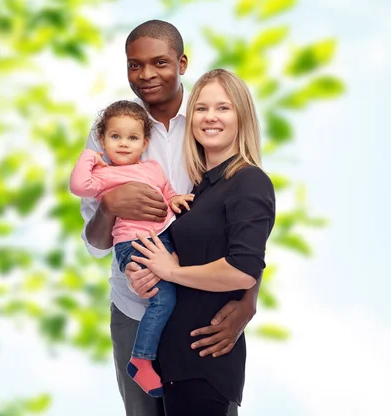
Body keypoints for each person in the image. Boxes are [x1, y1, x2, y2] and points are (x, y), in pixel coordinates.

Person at [80, 19, 259, 416]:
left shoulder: (206, 121)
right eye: (134, 65)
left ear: (181, 63)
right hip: (133, 306)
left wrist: (249, 299)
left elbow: (244, 220)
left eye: (159, 63)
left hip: (203, 309)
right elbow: (94, 242)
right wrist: (111, 206)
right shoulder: (111, 130)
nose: (145, 75)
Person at [126, 68, 276, 415]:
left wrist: (171, 271)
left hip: (204, 368)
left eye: (223, 108)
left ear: (242, 118)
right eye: (201, 108)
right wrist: (147, 271)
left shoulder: (249, 181)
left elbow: (243, 270)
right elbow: (189, 257)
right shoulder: (200, 190)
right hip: (175, 365)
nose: (210, 117)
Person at [70, 100, 194, 398]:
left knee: (173, 293)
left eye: (132, 138)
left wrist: (175, 200)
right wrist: (90, 155)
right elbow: (78, 185)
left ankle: (148, 358)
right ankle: (141, 360)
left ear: (144, 142)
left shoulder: (152, 168)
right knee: (162, 299)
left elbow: (167, 193)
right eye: (115, 137)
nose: (124, 144)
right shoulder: (103, 175)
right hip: (132, 245)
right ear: (102, 140)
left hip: (161, 238)